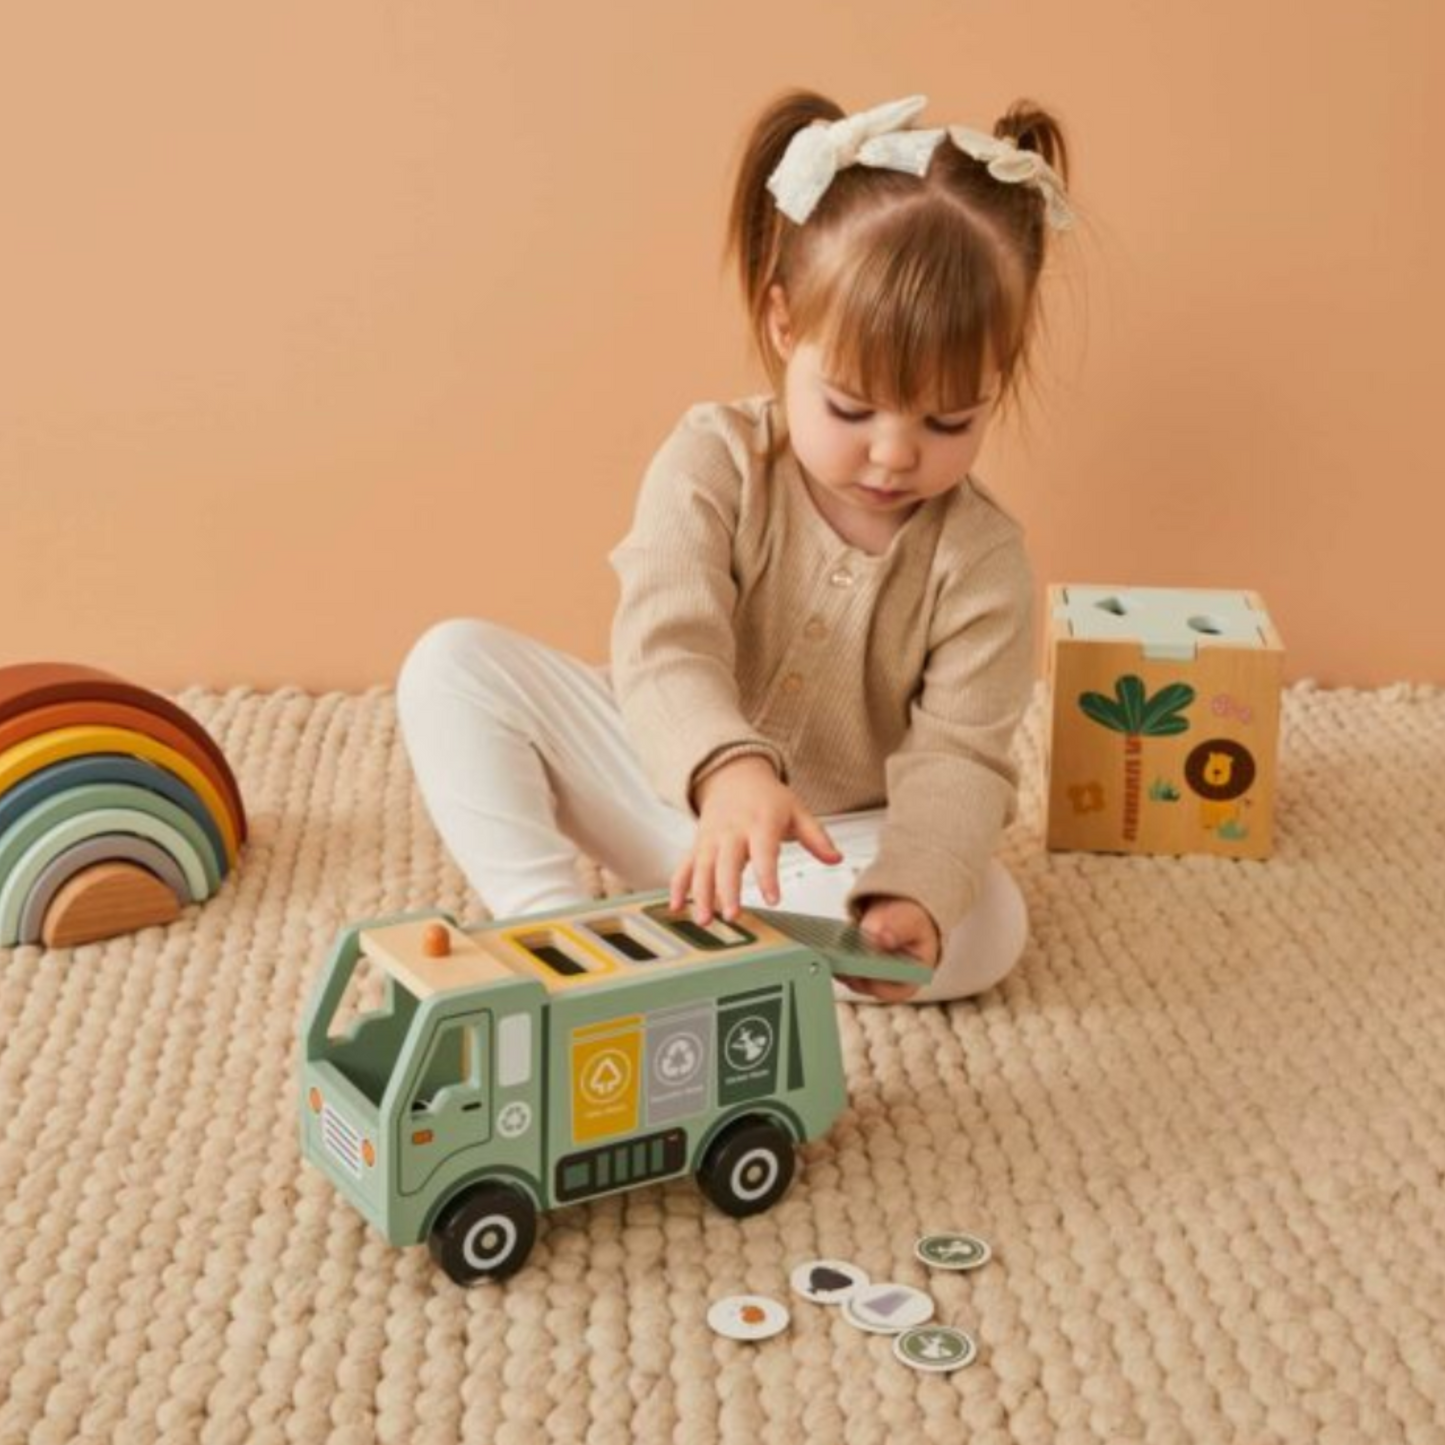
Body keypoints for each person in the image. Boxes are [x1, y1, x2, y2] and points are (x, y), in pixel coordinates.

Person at [397, 89, 1077, 1004]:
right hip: (658, 784)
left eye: (949, 419)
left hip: (828, 847)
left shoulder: (982, 559)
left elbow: (960, 756)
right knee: (451, 666)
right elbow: (664, 641)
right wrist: (727, 769)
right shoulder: (712, 458)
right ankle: (548, 927)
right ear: (783, 323)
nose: (893, 452)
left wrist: (913, 893)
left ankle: (732, 937)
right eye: (850, 406)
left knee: (986, 923)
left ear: (997, 379)